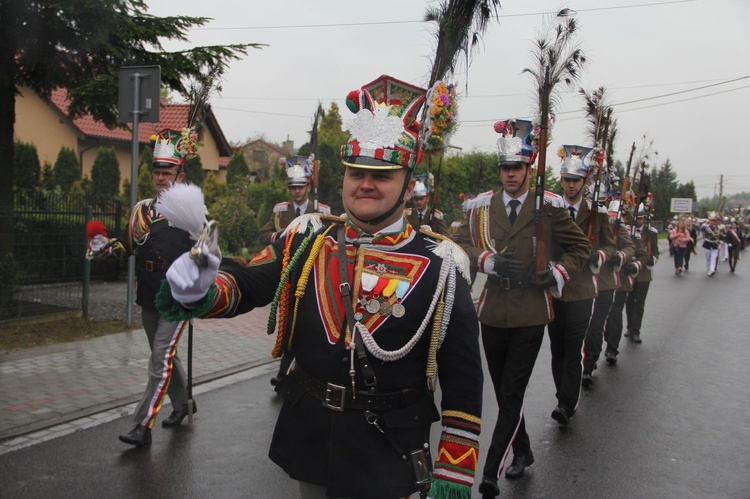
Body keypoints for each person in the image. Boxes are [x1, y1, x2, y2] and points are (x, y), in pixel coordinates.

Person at [157, 75, 484, 499]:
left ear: (408, 186)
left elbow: (463, 378)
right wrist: (199, 287)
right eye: (356, 172)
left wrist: (454, 471)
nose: (366, 183)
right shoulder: (306, 239)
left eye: (381, 174)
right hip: (310, 435)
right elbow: (250, 284)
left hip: (390, 449)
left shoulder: (441, 264)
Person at [454, 119, 590, 495]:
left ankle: (490, 471)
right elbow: (456, 244)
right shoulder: (481, 208)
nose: (510, 174)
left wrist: (558, 272)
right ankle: (524, 451)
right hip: (493, 309)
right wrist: (485, 261)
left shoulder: (549, 206)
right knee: (503, 390)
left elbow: (582, 248)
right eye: (505, 168)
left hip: (532, 310)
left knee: (512, 390)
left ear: (529, 169)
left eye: (517, 167)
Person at [86, 128, 199, 447]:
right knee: (162, 355)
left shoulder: (190, 211)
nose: (161, 178)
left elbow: (207, 252)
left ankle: (142, 424)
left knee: (160, 357)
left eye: (168, 172)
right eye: (157, 172)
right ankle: (183, 403)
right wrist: (108, 246)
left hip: (178, 296)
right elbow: (129, 246)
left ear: (181, 173)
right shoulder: (142, 210)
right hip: (149, 292)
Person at [543, 145, 616, 416]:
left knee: (573, 348)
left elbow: (609, 244)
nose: (571, 186)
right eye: (566, 180)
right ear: (561, 180)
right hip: (555, 289)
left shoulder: (596, 212)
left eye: (576, 181)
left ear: (585, 182)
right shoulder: (550, 207)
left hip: (583, 289)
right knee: (557, 347)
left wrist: (598, 254)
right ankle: (562, 393)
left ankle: (566, 403)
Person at [582, 200, 636, 384]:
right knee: (583, 326)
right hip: (584, 280)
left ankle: (590, 364)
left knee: (597, 325)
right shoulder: (583, 216)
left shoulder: (614, 222)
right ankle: (587, 360)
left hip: (605, 281)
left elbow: (629, 247)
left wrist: (619, 256)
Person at [258, 156, 331, 246]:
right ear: (289, 189)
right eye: (293, 187)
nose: (297, 191)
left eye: (300, 187)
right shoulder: (281, 211)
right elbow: (263, 235)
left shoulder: (321, 211)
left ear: (308, 187)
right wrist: (280, 236)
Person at [625, 205, 659, 344]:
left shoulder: (651, 232)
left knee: (639, 302)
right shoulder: (627, 230)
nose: (637, 221)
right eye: (635, 218)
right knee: (629, 301)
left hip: (644, 272)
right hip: (629, 271)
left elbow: (656, 251)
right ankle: (629, 326)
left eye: (640, 218)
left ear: (644, 218)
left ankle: (635, 331)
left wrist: (652, 260)